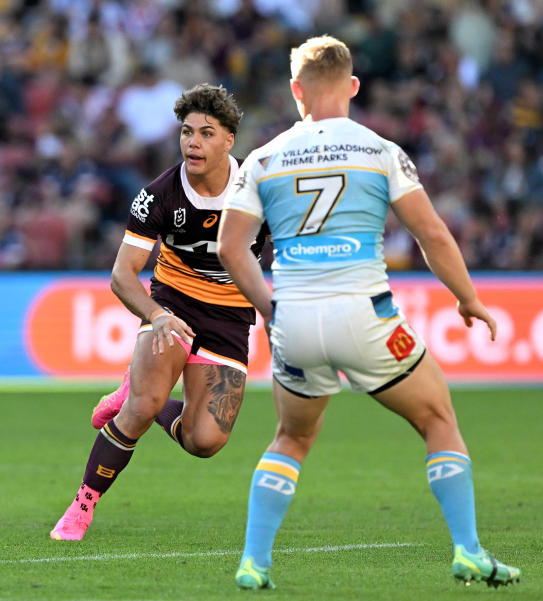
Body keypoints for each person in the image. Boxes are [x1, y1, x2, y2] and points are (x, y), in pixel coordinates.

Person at [216, 35, 520, 589]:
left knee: (291, 437)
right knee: (436, 418)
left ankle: (254, 563)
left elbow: (231, 248)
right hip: (366, 314)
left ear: (295, 91)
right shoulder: (380, 150)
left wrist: (271, 309)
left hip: (296, 321)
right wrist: (468, 298)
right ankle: (470, 551)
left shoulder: (262, 159)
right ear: (352, 87)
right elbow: (431, 234)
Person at [50, 83, 268, 541]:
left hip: (230, 315)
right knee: (143, 408)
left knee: (204, 442)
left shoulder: (259, 192)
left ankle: (133, 392)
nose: (193, 142)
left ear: (229, 140)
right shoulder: (159, 195)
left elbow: (284, 254)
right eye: (187, 132)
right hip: (173, 303)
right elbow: (122, 275)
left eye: (207, 133)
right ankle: (81, 505)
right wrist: (157, 315)